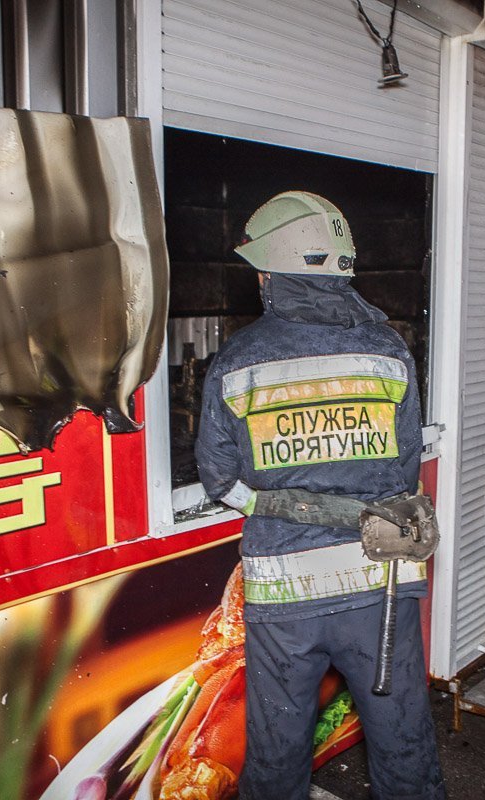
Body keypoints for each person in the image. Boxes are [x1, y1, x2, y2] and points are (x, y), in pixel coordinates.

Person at [196, 191, 446, 800]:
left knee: (279, 755)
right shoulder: (388, 353)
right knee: (402, 739)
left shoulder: (238, 362)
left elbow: (219, 481)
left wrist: (276, 505)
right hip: (379, 584)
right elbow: (404, 467)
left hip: (285, 592)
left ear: (269, 275)